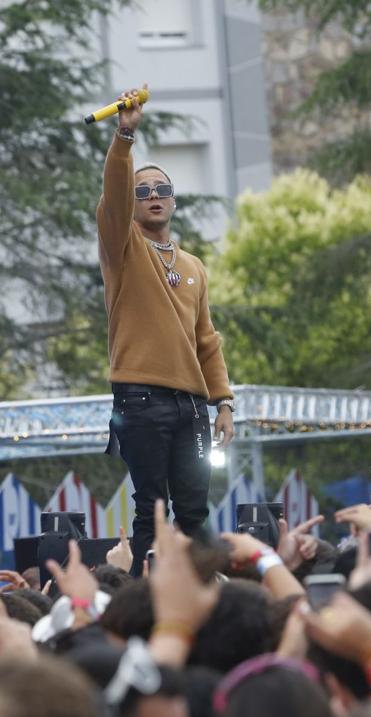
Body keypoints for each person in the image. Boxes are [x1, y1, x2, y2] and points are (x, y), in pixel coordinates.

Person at [97, 84, 235, 566]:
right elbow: (112, 199)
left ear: (174, 201)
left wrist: (223, 403)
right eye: (143, 191)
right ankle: (146, 598)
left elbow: (206, 339)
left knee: (194, 513)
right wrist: (125, 138)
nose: (153, 196)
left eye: (162, 190)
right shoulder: (123, 250)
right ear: (132, 204)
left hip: (192, 406)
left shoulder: (193, 264)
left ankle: (205, 596)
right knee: (152, 511)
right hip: (140, 399)